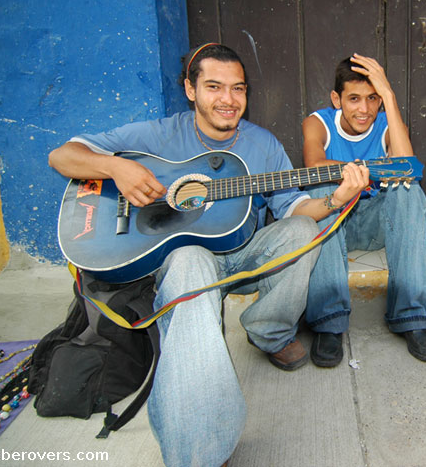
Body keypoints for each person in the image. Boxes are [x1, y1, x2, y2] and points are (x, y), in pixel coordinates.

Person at [48, 43, 369, 467]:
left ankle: (268, 331)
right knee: (190, 259)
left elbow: (294, 207)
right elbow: (62, 155)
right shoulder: (159, 134)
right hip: (186, 262)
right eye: (214, 87)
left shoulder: (262, 144)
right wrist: (117, 168)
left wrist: (337, 199)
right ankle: (199, 452)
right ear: (190, 90)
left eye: (238, 88)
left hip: (245, 253)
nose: (228, 99)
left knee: (302, 230)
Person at [301, 54, 426, 367]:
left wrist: (389, 95)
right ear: (336, 99)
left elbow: (407, 169)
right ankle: (328, 321)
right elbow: (314, 166)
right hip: (337, 223)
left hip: (378, 224)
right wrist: (373, 171)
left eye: (373, 98)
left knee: (408, 190)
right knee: (322, 187)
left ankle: (412, 317)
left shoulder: (388, 122)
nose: (364, 109)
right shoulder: (318, 122)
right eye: (354, 99)